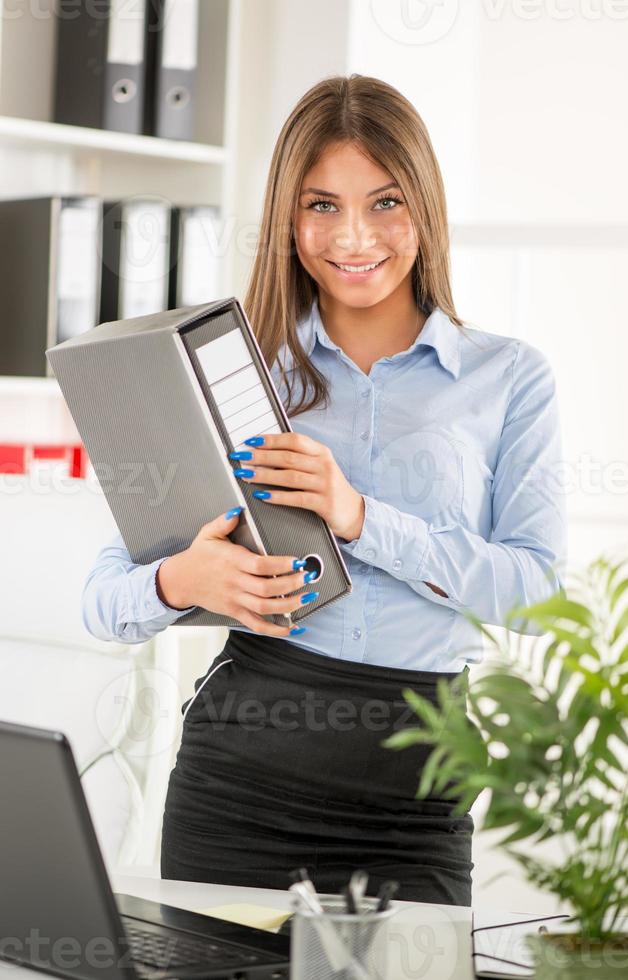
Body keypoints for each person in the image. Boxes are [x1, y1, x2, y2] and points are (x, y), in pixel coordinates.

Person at [82, 74, 567, 905]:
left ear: (425, 207)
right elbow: (102, 597)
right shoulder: (234, 376)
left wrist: (361, 518)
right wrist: (182, 582)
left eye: (384, 203)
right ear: (287, 219)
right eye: (320, 206)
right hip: (238, 784)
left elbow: (534, 591)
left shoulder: (509, 378)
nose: (352, 237)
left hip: (416, 799)